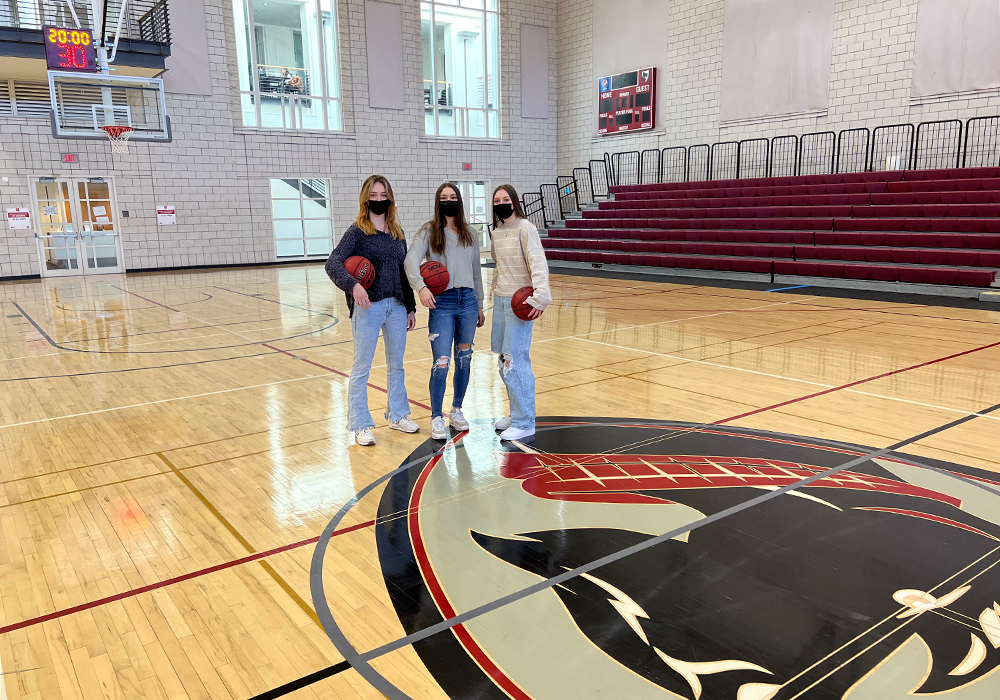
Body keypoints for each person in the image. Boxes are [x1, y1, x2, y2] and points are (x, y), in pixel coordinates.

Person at [326, 175, 418, 446]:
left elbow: (403, 274)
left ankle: (398, 415)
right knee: (362, 367)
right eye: (374, 195)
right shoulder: (357, 232)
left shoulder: (397, 234)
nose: (379, 199)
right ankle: (360, 424)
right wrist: (353, 285)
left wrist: (410, 307)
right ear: (366, 199)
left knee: (397, 366)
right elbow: (333, 263)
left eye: (383, 195)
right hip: (368, 308)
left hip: (397, 307)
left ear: (390, 198)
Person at [405, 183, 485, 440]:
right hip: (443, 302)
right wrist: (421, 288)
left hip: (468, 301)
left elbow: (476, 272)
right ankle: (436, 416)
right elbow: (410, 261)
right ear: (438, 202)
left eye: (453, 197)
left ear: (460, 201)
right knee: (441, 362)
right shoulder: (429, 231)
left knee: (465, 359)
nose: (448, 201)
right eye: (444, 197)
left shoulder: (470, 233)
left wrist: (480, 304)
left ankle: (457, 410)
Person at [489, 184, 551, 441]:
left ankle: (526, 422)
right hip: (501, 301)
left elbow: (537, 261)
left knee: (516, 361)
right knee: (503, 362)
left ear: (514, 202)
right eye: (497, 200)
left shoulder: (525, 228)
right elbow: (499, 264)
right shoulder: (497, 232)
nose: (501, 203)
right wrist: (495, 283)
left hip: (520, 304)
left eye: (506, 199)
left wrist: (540, 297)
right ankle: (516, 414)